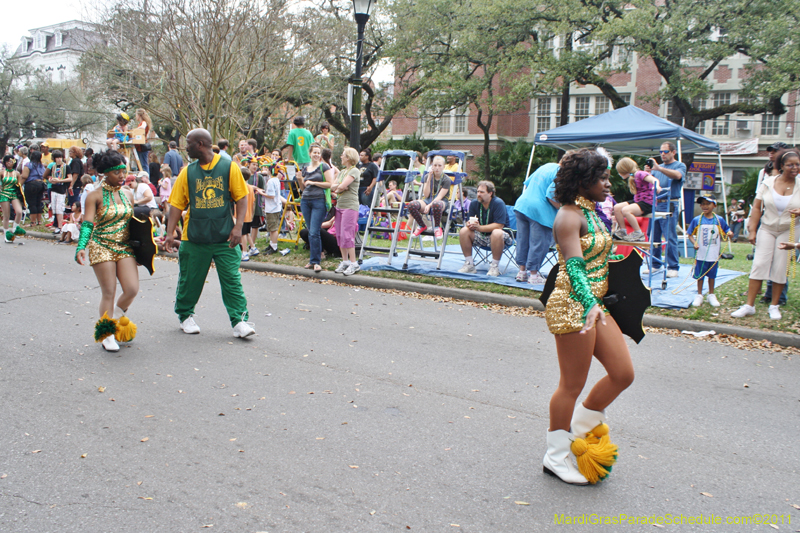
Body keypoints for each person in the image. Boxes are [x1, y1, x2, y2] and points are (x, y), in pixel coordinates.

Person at [542, 147, 633, 485]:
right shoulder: (568, 216)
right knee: (571, 385)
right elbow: (575, 267)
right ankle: (555, 456)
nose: (609, 184)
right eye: (602, 178)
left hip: (596, 304)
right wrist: (589, 303)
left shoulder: (594, 212)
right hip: (573, 304)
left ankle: (581, 427)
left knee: (623, 373)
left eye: (609, 177)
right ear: (583, 181)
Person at [164, 128, 255, 338]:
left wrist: (238, 227)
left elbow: (241, 198)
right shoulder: (187, 172)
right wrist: (170, 233)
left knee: (231, 279)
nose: (185, 147)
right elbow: (176, 205)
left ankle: (240, 321)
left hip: (224, 236)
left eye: (188, 143)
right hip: (194, 237)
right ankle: (185, 316)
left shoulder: (229, 167)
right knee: (190, 279)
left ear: (200, 144)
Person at [75, 149, 141, 353]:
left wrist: (143, 249)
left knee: (132, 289)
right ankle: (106, 334)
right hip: (101, 245)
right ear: (105, 174)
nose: (122, 176)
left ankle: (113, 318)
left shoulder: (128, 193)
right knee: (109, 291)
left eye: (124, 171)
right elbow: (87, 224)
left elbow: (133, 224)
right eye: (117, 172)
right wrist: (81, 246)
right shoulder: (93, 195)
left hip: (124, 247)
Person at [731, 148, 800, 320]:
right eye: (790, 165)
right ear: (781, 166)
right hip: (767, 228)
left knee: (780, 267)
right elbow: (756, 207)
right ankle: (749, 305)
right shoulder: (768, 182)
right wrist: (752, 230)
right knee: (759, 264)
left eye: (797, 165)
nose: (794, 168)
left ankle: (774, 306)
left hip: (788, 229)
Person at [513, 162, 561, 285]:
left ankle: (522, 272)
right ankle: (533, 275)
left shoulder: (546, 166)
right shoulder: (562, 172)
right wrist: (562, 208)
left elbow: (528, 183)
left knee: (523, 240)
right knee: (539, 243)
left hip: (522, 205)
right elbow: (551, 195)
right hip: (539, 210)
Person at [644, 142, 686, 277]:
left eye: (666, 151)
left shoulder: (679, 165)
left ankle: (673, 267)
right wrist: (646, 173)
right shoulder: (657, 168)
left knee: (669, 236)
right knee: (653, 235)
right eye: (661, 151)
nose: (662, 154)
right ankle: (655, 264)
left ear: (673, 152)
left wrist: (658, 169)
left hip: (670, 203)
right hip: (655, 203)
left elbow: (677, 176)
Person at [458, 180, 513, 277]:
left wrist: (479, 228)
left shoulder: (498, 203)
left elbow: (499, 225)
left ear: (490, 193)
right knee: (464, 231)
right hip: (482, 236)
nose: (479, 194)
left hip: (501, 238)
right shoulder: (474, 203)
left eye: (482, 192)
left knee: (496, 232)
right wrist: (469, 224)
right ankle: (469, 264)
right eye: (478, 192)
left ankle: (494, 266)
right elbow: (469, 221)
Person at [687, 196, 733, 307]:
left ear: (714, 205)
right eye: (702, 204)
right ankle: (699, 294)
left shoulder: (719, 220)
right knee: (700, 275)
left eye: (708, 203)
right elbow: (690, 234)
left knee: (712, 274)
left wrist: (730, 233)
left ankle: (711, 294)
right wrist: (695, 243)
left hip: (713, 253)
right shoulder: (697, 220)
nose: (705, 206)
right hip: (701, 253)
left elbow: (727, 230)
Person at [296, 143, 334, 272]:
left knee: (314, 232)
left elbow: (330, 184)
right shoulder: (306, 168)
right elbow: (303, 188)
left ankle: (316, 261)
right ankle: (313, 260)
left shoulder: (324, 166)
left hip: (319, 201)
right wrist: (300, 180)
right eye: (314, 152)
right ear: (310, 153)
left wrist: (313, 182)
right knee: (311, 231)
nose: (316, 155)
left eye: (318, 153)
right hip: (306, 201)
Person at [612, 157, 661, 242]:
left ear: (624, 169)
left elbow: (653, 179)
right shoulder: (633, 176)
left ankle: (638, 233)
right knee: (617, 207)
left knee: (626, 210)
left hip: (647, 202)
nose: (619, 174)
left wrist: (656, 186)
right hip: (638, 200)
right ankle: (623, 231)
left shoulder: (639, 174)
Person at [332, 147, 362, 275]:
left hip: (350, 206)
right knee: (339, 234)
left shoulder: (354, 171)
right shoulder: (342, 172)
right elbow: (333, 186)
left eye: (343, 155)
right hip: (340, 205)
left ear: (349, 157)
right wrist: (339, 188)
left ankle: (354, 263)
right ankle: (345, 262)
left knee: (347, 234)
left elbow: (341, 186)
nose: (341, 157)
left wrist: (339, 188)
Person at [407, 155, 451, 239]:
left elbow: (440, 197)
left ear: (443, 167)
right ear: (432, 166)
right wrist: (429, 179)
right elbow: (426, 194)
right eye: (435, 165)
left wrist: (429, 205)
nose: (437, 168)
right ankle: (421, 225)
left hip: (441, 202)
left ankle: (437, 227)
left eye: (439, 165)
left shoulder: (446, 179)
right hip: (428, 199)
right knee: (412, 204)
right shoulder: (428, 176)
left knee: (436, 204)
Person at [244, 159, 267, 259]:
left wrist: (257, 190)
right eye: (253, 164)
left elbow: (263, 189)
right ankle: (249, 245)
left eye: (256, 165)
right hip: (246, 204)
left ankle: (251, 245)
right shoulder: (244, 175)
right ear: (248, 165)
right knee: (245, 227)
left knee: (255, 225)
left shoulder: (259, 177)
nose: (255, 166)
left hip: (255, 204)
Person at [43, 150, 70, 233]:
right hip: (54, 188)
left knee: (59, 208)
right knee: (54, 208)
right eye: (57, 158)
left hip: (61, 189)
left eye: (60, 157)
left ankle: (60, 226)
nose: (59, 159)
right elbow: (47, 175)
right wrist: (50, 179)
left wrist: (59, 180)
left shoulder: (66, 167)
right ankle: (57, 226)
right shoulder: (53, 166)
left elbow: (70, 178)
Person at [1, 155, 26, 243]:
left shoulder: (17, 173)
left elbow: (19, 185)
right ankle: (7, 233)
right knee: (6, 215)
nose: (9, 163)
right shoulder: (2, 172)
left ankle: (15, 227)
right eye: (7, 161)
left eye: (10, 161)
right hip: (4, 194)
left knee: (19, 211)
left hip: (14, 194)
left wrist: (21, 197)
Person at [262, 160, 283, 255]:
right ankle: (271, 244)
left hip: (272, 208)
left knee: (273, 228)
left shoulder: (271, 181)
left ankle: (274, 246)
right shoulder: (276, 180)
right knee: (271, 227)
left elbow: (271, 195)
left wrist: (261, 193)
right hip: (276, 207)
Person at [21, 150, 47, 226]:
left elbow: (25, 176)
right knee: (38, 203)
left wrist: (19, 185)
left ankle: (33, 222)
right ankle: (39, 221)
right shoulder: (41, 165)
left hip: (31, 184)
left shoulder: (28, 165)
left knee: (32, 203)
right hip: (41, 184)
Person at [133, 108, 153, 176]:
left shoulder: (143, 123)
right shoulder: (142, 123)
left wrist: (135, 130)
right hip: (140, 146)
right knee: (142, 164)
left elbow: (142, 127)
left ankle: (146, 177)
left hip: (142, 146)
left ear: (139, 115)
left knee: (143, 164)